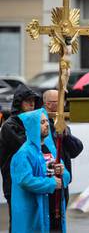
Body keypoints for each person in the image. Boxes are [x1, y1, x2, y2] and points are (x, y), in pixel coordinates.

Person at [10, 108, 70, 233]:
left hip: (55, 214)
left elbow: (66, 177)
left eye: (46, 121)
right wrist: (52, 184)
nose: (47, 124)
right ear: (32, 126)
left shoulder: (52, 149)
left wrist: (62, 173)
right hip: (37, 217)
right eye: (42, 122)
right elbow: (25, 180)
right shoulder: (23, 154)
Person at [0, 84, 42, 230]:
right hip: (14, 182)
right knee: (18, 222)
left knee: (32, 222)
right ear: (19, 102)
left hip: (31, 180)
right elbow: (28, 148)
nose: (32, 104)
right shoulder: (10, 126)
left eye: (33, 101)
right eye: (27, 101)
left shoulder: (31, 123)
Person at [43, 89, 83, 207]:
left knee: (61, 218)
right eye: (58, 102)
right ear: (48, 104)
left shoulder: (60, 123)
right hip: (48, 179)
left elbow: (75, 150)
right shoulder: (40, 125)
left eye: (62, 102)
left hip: (63, 178)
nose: (62, 105)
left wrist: (65, 135)